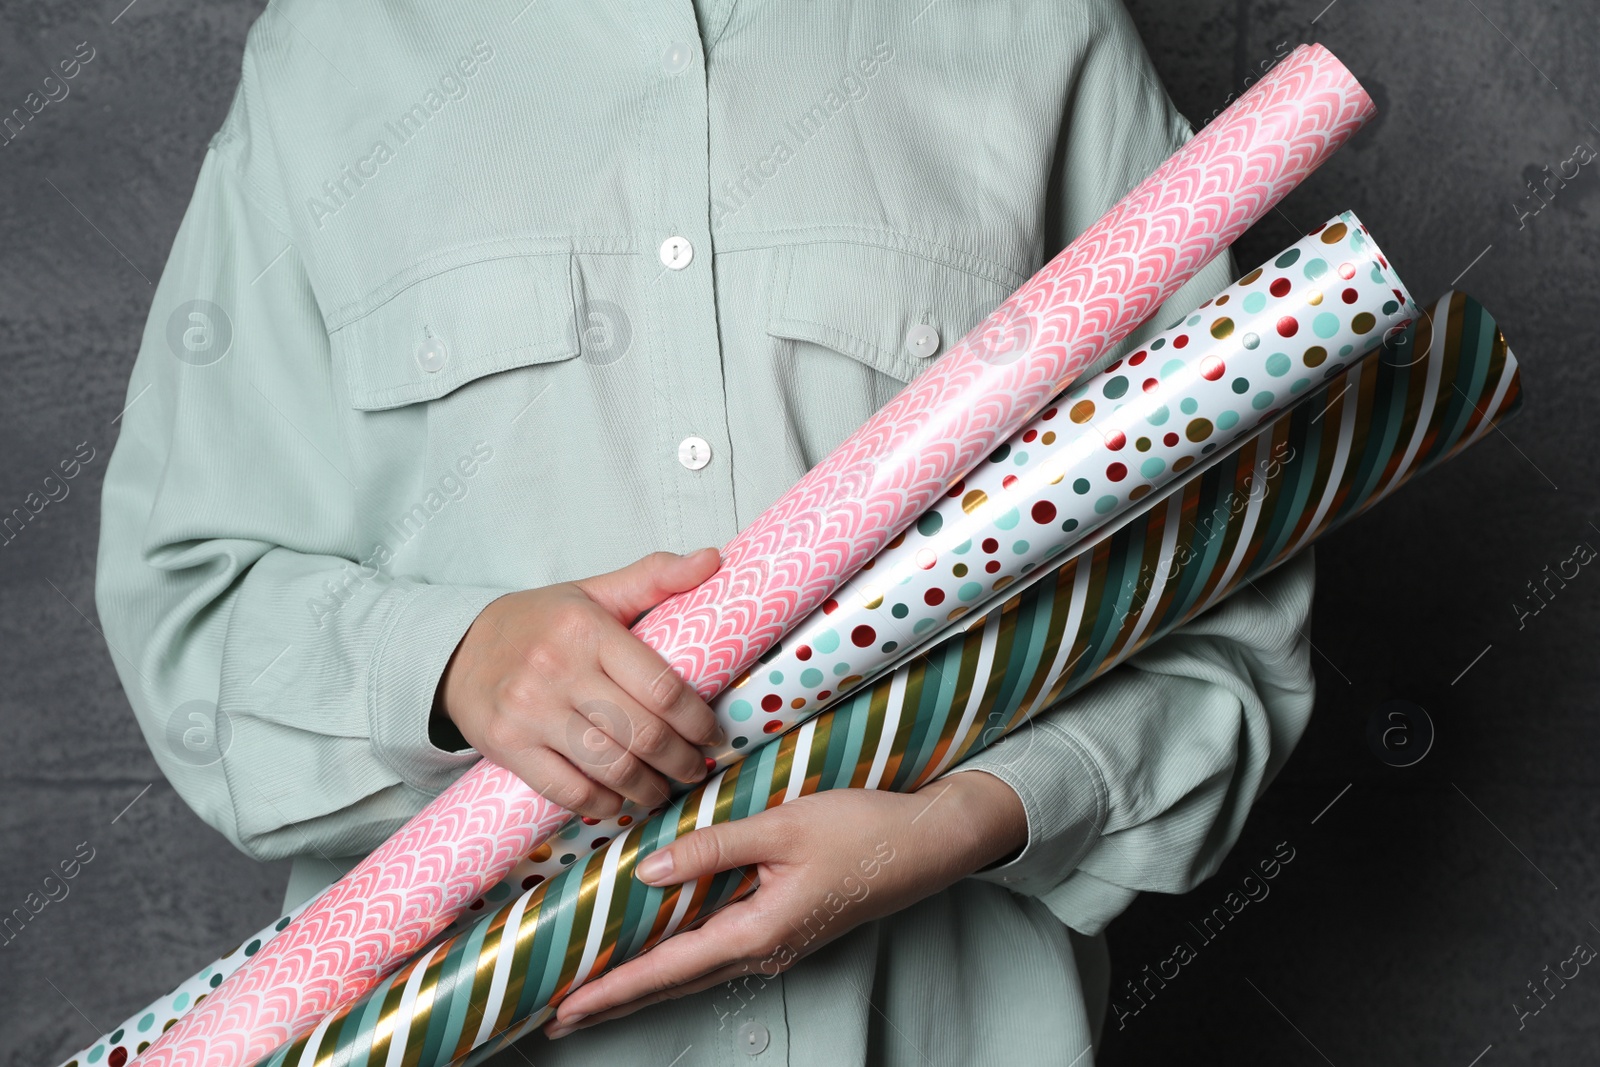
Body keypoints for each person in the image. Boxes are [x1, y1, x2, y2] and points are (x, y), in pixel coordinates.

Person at [95, 1, 1316, 1063]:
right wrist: (453, 661)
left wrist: (970, 819)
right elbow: (186, 598)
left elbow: (1227, 600)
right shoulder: (333, 50)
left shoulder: (1038, 27)